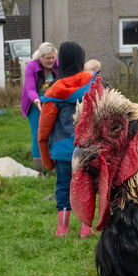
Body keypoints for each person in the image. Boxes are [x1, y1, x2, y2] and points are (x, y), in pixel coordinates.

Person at [38, 42, 99, 238]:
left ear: (60, 61)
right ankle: (85, 228)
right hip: (88, 149)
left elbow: (44, 131)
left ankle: (62, 229)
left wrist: (46, 159)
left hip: (63, 151)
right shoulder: (93, 84)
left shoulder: (54, 90)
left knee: (63, 187)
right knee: (86, 186)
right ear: (81, 60)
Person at [21, 42, 58, 173]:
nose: (51, 61)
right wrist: (37, 101)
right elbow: (30, 88)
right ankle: (39, 169)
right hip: (34, 103)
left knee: (54, 132)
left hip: (52, 102)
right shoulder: (31, 66)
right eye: (48, 58)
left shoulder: (57, 65)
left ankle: (53, 163)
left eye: (53, 57)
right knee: (38, 134)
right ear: (41, 58)